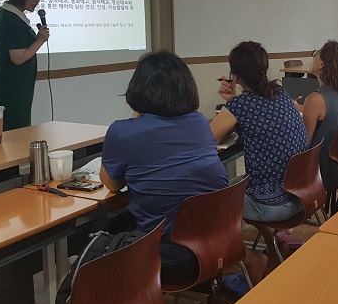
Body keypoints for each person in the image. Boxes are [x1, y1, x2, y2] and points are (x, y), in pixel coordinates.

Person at [98, 51, 268, 284]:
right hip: (220, 241)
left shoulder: (122, 132)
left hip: (169, 255)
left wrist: (138, 112)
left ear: (137, 88)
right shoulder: (199, 122)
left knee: (104, 231)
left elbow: (111, 184)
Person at [211, 41, 308, 269]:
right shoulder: (280, 93)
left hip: (272, 204)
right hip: (300, 193)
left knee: (214, 200)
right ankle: (274, 244)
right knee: (236, 184)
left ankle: (249, 259)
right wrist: (233, 101)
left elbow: (207, 139)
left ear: (235, 76)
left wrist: (232, 103)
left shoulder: (241, 105)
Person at [0, 0, 50, 130]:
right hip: (14, 90)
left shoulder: (5, 12)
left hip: (12, 87)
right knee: (17, 131)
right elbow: (18, 58)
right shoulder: (13, 19)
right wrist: (40, 40)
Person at [300, 40, 338, 192]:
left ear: (322, 64)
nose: (313, 57)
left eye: (315, 54)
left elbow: (303, 145)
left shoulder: (315, 99)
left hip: (321, 172)